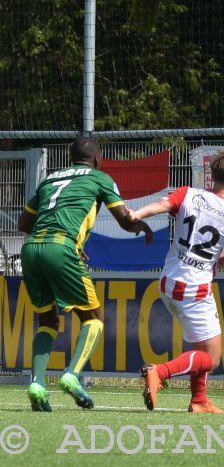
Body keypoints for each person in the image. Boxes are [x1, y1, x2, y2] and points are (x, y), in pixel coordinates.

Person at [17, 136, 154, 412]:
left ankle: (37, 383)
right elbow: (125, 220)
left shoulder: (50, 179)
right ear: (98, 159)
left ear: (71, 159)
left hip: (31, 249)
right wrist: (143, 228)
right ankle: (71, 375)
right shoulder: (99, 177)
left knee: (48, 321)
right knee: (94, 318)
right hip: (62, 249)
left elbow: (24, 223)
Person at [128, 149, 224, 414]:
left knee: (199, 346)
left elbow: (161, 206)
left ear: (211, 177)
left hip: (167, 283)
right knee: (212, 358)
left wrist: (135, 215)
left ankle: (199, 400)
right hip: (194, 290)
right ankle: (159, 372)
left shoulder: (189, 194)